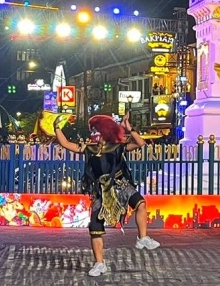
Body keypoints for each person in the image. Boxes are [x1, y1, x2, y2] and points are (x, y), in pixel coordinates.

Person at [53, 113, 160, 277]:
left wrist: (128, 128)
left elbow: (140, 143)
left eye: (95, 129)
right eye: (92, 130)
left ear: (104, 130)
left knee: (141, 204)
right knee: (95, 228)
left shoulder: (117, 146)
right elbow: (66, 144)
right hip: (101, 191)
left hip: (120, 185)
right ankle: (99, 263)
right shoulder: (89, 148)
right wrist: (57, 128)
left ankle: (142, 237)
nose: (93, 133)